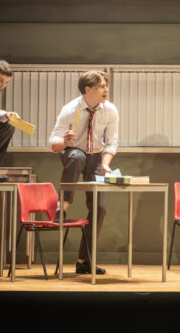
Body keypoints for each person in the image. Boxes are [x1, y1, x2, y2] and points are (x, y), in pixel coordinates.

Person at [49, 70, 119, 275]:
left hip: (97, 157)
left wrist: (105, 164)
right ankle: (63, 207)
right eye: (101, 87)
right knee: (77, 157)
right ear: (88, 90)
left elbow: (112, 143)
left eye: (106, 85)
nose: (106, 89)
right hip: (73, 152)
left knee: (100, 208)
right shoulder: (70, 109)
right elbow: (53, 143)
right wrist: (65, 141)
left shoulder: (110, 110)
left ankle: (83, 261)